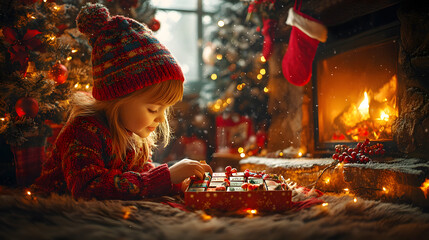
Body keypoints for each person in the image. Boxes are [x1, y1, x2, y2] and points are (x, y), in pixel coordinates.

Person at [32, 3, 212, 200]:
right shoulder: (82, 131)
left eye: (165, 109)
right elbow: (88, 188)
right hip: (51, 215)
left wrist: (176, 184)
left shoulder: (132, 134)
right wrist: (167, 176)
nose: (161, 118)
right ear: (117, 99)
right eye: (153, 109)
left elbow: (141, 179)